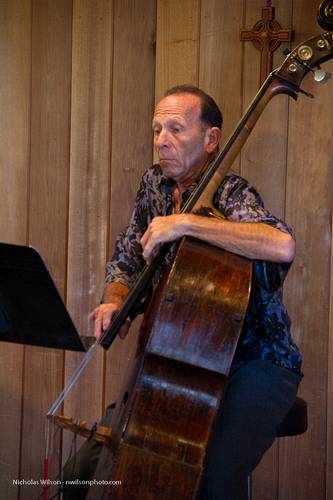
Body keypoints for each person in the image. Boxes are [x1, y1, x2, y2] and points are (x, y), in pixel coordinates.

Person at [63, 85, 302, 500]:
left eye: (175, 128)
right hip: (174, 361)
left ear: (211, 140)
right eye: (157, 129)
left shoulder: (231, 193)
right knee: (84, 470)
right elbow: (127, 259)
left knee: (211, 482)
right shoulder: (154, 185)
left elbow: (282, 244)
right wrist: (115, 300)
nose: (161, 140)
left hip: (256, 364)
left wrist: (187, 223)